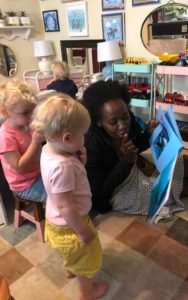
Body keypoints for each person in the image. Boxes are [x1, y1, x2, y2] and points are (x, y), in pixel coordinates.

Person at [83, 80, 188, 223]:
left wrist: (148, 134)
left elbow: (137, 145)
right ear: (98, 121)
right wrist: (126, 161)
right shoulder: (91, 146)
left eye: (125, 117)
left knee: (186, 163)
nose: (122, 125)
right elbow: (99, 194)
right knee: (176, 186)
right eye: (113, 122)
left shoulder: (127, 118)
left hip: (135, 164)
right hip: (116, 189)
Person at [31, 94, 108, 300]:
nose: (84, 139)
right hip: (72, 226)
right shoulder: (63, 166)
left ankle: (70, 268)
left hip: (55, 224)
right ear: (66, 138)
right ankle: (87, 292)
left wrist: (79, 164)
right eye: (82, 134)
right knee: (88, 258)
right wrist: (82, 231)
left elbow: (62, 188)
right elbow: (66, 206)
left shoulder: (48, 150)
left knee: (71, 254)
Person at [0, 80, 46, 202]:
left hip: (40, 173)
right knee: (59, 194)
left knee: (68, 181)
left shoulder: (27, 124)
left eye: (33, 110)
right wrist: (35, 143)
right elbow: (19, 167)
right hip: (24, 185)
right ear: (5, 112)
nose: (31, 116)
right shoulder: (5, 136)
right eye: (25, 113)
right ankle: (57, 219)